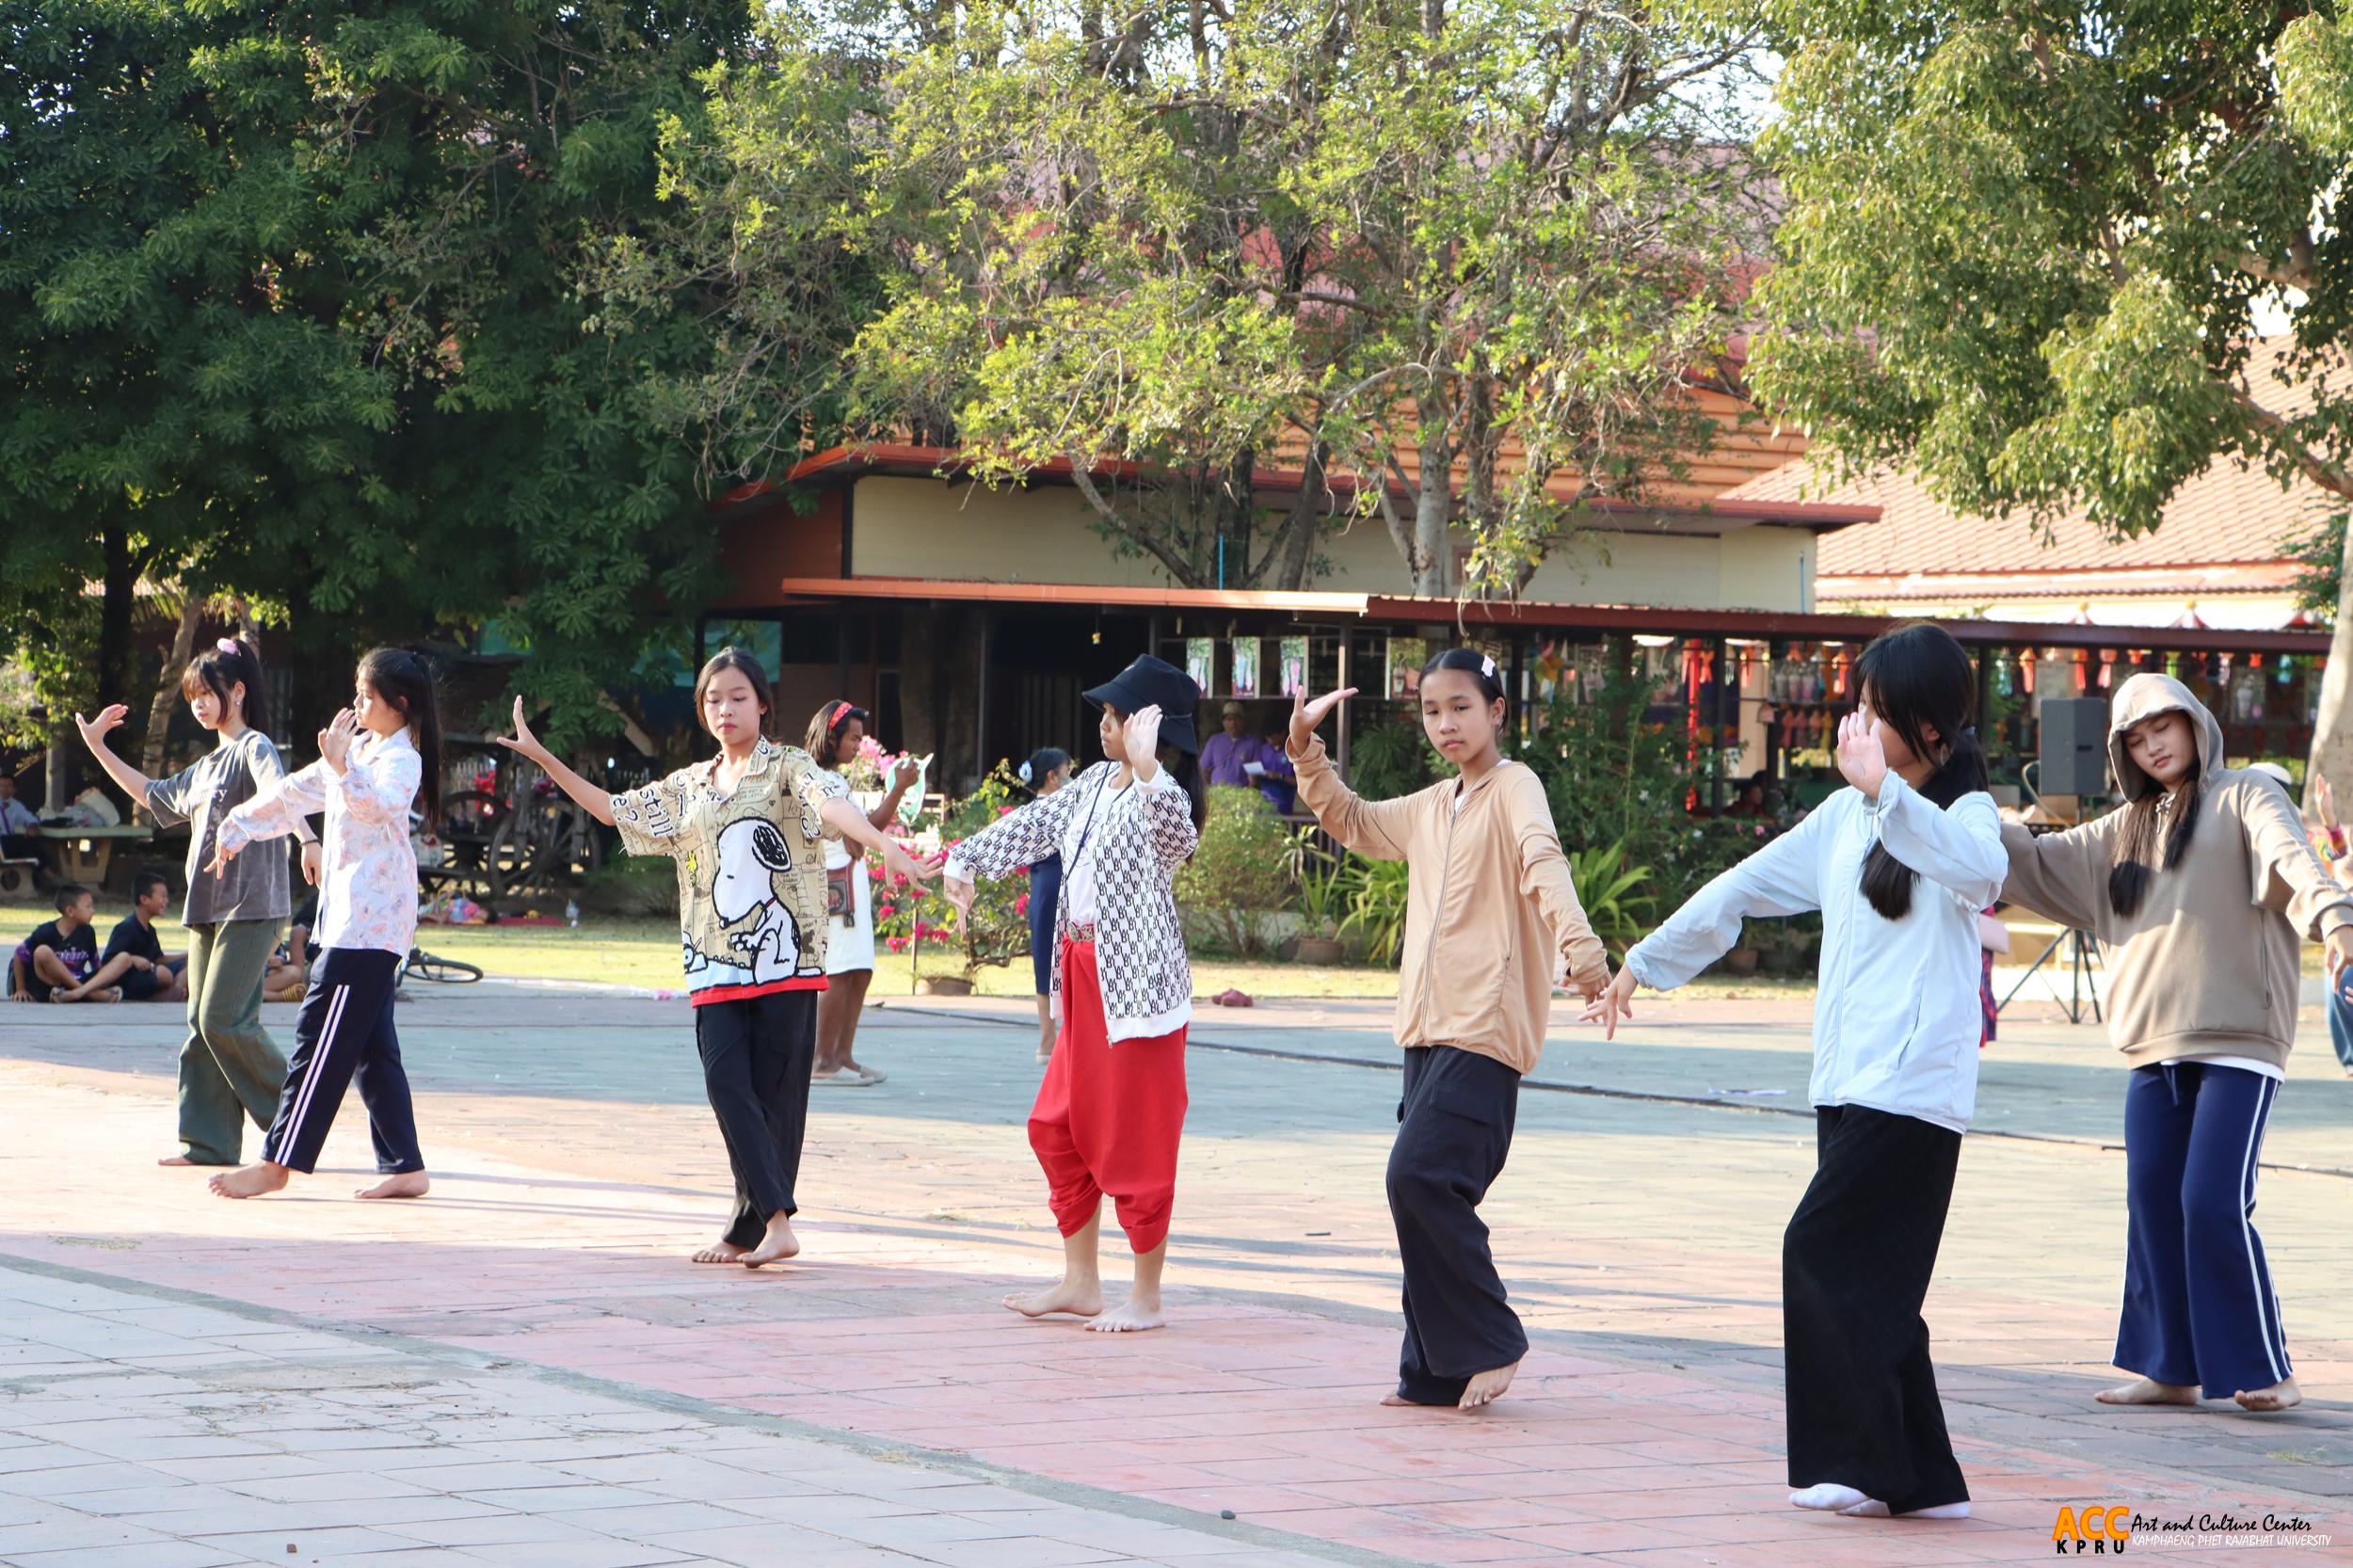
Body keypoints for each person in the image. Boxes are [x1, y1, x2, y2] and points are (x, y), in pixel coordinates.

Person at [1589, 621, 1999, 1519]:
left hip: (1915, 1091)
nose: (1856, 723)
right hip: (1846, 1084)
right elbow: (1741, 888)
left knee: (1817, 1250)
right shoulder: (1844, 818)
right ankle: (1925, 1483)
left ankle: (1858, 1465)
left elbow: (1980, 869)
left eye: (1876, 711)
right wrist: (1641, 964)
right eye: (1858, 705)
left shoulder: (1960, 814)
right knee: (1879, 1284)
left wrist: (1889, 793)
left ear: (1931, 729)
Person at [497, 648, 936, 1267]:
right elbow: (613, 809)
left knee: (775, 1100)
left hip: (786, 963)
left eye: (736, 697)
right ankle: (774, 1222)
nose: (724, 709)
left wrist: (882, 844)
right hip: (714, 965)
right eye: (712, 699)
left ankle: (748, 1228)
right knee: (726, 1084)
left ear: (762, 703)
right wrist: (544, 758)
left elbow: (833, 806)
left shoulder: (789, 767)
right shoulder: (689, 786)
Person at [1997, 674, 2351, 1415]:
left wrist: (2337, 919)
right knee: (2154, 1201)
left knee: (2210, 1201)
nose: (2153, 742)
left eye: (2165, 724)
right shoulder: (2117, 833)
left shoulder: (2247, 792)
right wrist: (1954, 814)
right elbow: (2029, 860)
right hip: (2151, 1050)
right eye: (2135, 735)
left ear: (2195, 723)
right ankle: (2172, 1368)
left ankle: (2266, 1367)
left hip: (2240, 1042)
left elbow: (2294, 856)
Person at [1289, 649, 1611, 1411]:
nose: (1446, 724)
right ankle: (1432, 1370)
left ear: (1496, 711)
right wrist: (1306, 750)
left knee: (1418, 1179)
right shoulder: (1436, 806)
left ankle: (1491, 1340)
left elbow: (1542, 859)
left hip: (1485, 1029)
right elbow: (1355, 821)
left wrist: (1583, 951)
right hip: (1426, 1035)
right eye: (1433, 711)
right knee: (1422, 1195)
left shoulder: (1515, 788)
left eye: (1462, 707)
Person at [944, 653, 1206, 1333]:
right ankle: (1081, 1280)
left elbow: (1179, 837)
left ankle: (1145, 1297)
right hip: (1081, 980)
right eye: (1106, 715)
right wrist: (965, 860)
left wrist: (1150, 769)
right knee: (1057, 1126)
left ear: (1150, 726)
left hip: (1139, 993)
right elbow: (1032, 827)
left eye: (1117, 715)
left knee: (1138, 1139)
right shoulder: (1092, 783)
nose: (1104, 725)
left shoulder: (1163, 795)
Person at [203, 648, 443, 1202]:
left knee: (318, 1037)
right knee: (370, 1046)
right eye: (357, 692)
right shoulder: (361, 746)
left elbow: (377, 808)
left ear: (399, 704)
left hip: (368, 928)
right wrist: (236, 825)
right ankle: (405, 1165)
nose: (357, 704)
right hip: (349, 923)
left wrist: (342, 766)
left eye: (367, 696)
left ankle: (278, 1161)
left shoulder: (399, 761)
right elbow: (297, 791)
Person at [74, 636, 319, 1167]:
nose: (200, 705)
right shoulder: (207, 766)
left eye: (209, 693)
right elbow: (151, 794)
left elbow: (283, 794)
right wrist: (98, 747)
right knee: (200, 1029)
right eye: (193, 698)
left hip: (253, 905)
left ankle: (301, 1119)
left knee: (223, 1020)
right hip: (208, 908)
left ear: (237, 690)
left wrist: (309, 841)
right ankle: (208, 1144)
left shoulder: (255, 747)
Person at [805, 700, 923, 1087]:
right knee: (840, 971)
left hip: (847, 878)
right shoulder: (819, 779)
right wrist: (900, 789)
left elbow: (862, 832)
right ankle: (823, 1060)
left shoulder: (834, 779)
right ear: (832, 736)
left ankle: (842, 1056)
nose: (858, 745)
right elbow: (867, 828)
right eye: (853, 738)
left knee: (858, 970)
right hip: (835, 881)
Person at [1018, 747, 1073, 1064]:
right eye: (1067, 770)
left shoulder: (1031, 810)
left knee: (1045, 960)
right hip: (1058, 885)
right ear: (1053, 777)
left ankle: (1048, 1040)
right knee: (1062, 958)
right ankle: (1051, 1040)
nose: (1071, 776)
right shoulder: (1057, 810)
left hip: (1042, 890)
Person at [2306, 773, 2353, 1079]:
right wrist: (2330, 821)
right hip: (2342, 919)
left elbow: (2336, 851)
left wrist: (2331, 821)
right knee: (2338, 988)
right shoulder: (2304, 834)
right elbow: (2336, 852)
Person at [18, 885, 129, 1002]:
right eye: (88, 907)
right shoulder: (45, 932)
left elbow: (96, 964)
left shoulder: (88, 932)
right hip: (53, 985)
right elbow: (19, 954)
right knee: (42, 951)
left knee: (125, 958)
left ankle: (77, 993)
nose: (93, 911)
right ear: (70, 911)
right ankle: (91, 995)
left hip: (78, 982)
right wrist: (20, 989)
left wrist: (101, 979)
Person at [105, 871, 189, 1003]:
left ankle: (176, 991)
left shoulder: (150, 930)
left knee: (189, 965)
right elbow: (108, 961)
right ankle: (163, 994)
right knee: (163, 973)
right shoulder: (126, 928)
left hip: (151, 974)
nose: (166, 901)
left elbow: (159, 959)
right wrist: (133, 959)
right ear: (144, 899)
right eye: (162, 896)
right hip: (131, 980)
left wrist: (187, 955)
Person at [1199, 701, 1292, 812]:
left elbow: (1254, 777)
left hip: (1241, 802)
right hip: (1216, 799)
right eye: (1229, 719)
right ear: (1223, 722)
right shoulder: (1214, 741)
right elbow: (1204, 769)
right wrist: (1209, 793)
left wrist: (1243, 799)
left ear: (1244, 721)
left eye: (1236, 719)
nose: (1233, 723)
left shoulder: (1253, 744)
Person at [264, 892, 319, 1003]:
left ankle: (268, 994)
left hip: (267, 975)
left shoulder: (268, 925)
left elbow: (278, 950)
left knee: (295, 972)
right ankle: (280, 996)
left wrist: (278, 960)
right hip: (245, 978)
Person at [0, 773, 41, 859]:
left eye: (9, 786)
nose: (5, 789)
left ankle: (40, 868)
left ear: (14, 789)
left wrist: (32, 826)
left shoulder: (16, 805)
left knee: (32, 841)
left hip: (8, 842)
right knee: (25, 843)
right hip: (3, 842)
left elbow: (29, 818)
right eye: (2, 786)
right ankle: (44, 869)